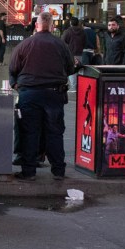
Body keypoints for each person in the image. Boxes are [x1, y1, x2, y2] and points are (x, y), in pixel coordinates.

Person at [8, 11, 74, 180]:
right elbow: (70, 69)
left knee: (30, 133)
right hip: (54, 94)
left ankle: (28, 171)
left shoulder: (25, 44)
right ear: (52, 26)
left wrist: (17, 85)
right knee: (55, 133)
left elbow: (13, 69)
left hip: (29, 94)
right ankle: (58, 171)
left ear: (36, 25)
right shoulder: (61, 45)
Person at [62, 17, 86, 90]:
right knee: (80, 69)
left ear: (70, 23)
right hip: (80, 53)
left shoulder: (67, 31)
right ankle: (80, 86)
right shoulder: (83, 31)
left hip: (70, 53)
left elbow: (62, 42)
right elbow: (85, 42)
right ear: (78, 23)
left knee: (71, 69)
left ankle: (73, 87)